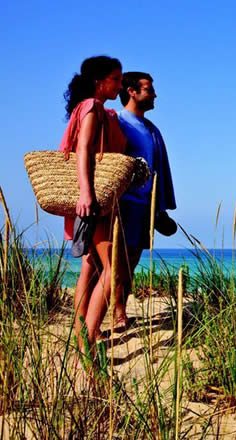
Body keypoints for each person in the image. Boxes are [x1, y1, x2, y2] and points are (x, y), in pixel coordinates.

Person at [59, 56, 126, 352]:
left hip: (89, 199)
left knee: (90, 267)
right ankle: (87, 344)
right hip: (93, 199)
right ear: (100, 82)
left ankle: (82, 336)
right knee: (113, 269)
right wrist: (87, 193)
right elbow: (84, 148)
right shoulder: (92, 108)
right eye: (116, 79)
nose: (120, 84)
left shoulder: (89, 108)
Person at [112, 71, 177, 325]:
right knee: (115, 261)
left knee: (132, 262)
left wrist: (160, 209)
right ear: (132, 91)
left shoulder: (152, 130)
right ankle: (115, 313)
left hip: (145, 205)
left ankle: (120, 310)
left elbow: (159, 170)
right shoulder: (117, 121)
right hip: (121, 203)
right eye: (149, 89)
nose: (154, 95)